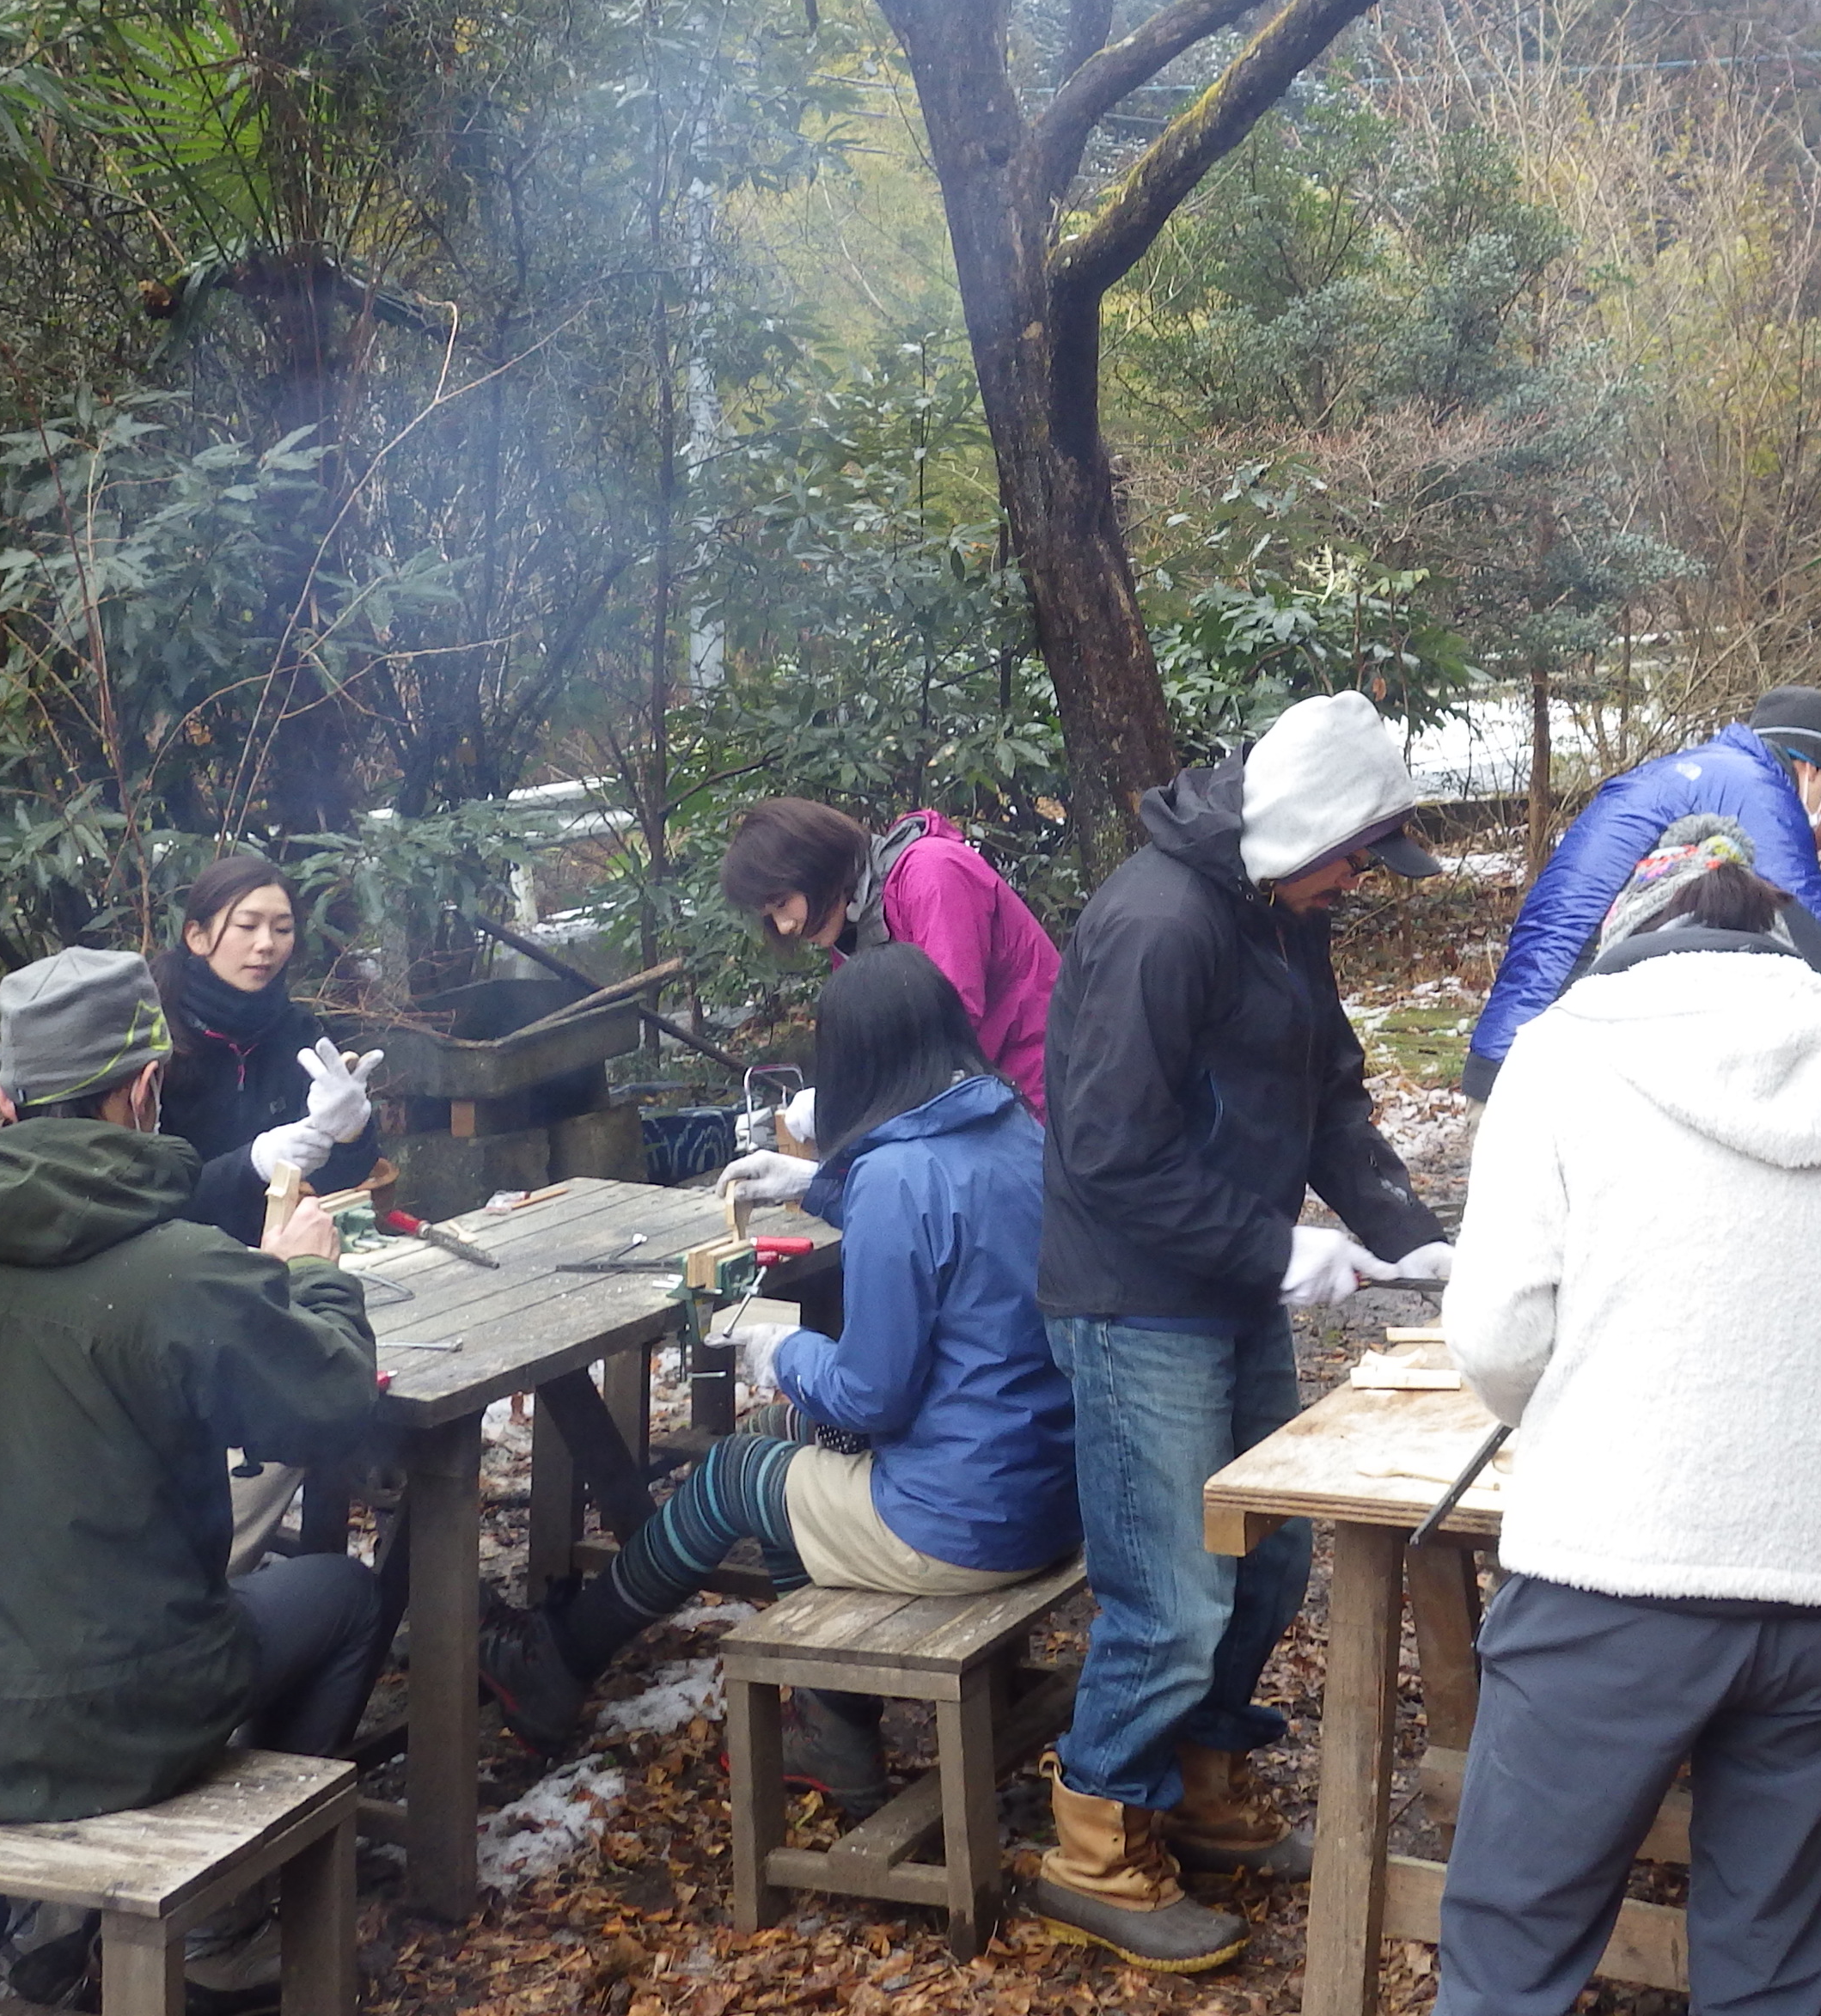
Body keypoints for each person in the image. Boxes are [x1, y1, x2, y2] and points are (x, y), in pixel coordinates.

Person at [1433, 851, 1821, 2016]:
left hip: (1612, 1574)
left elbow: (1496, 1334)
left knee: (1513, 1945)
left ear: (1628, 934)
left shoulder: (1563, 1053)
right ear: (1779, 940)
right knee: (1768, 1964)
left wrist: (1583, 1417)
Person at [0, 947, 388, 1996]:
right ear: (146, 1089)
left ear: (2, 1099)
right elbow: (331, 1404)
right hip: (140, 1713)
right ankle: (225, 1911)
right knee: (348, 1596)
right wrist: (312, 1280)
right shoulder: (182, 1269)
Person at [1027, 688, 1457, 1971]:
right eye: (1358, 859)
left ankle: (1196, 1788)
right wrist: (1275, 1246)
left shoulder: (1283, 914)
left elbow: (1328, 1093)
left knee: (1265, 1560)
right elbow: (1106, 1152)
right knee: (1169, 1590)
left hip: (1225, 1288)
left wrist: (1407, 1226)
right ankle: (1095, 1843)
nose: (1360, 884)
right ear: (1308, 833)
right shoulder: (1158, 924)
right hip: (1133, 1300)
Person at [482, 945, 1077, 1814]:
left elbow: (874, 1395)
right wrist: (822, 1185)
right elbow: (942, 1230)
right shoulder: (1013, 1131)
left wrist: (779, 1353)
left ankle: (561, 1655)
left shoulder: (894, 1177)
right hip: (1047, 1490)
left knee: (733, 1472)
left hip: (967, 1523)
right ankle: (832, 1725)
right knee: (771, 1446)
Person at [1464, 685, 1821, 1099]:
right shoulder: (1756, 789)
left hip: (1512, 1046)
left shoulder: (1694, 772)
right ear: (1816, 771)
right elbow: (1820, 949)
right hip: (1545, 1069)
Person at [722, 798, 1059, 1113]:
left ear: (817, 866)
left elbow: (949, 1026)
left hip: (1044, 1100)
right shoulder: (854, 928)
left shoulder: (932, 872)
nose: (784, 926)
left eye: (782, 904)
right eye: (769, 914)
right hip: (983, 1105)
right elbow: (872, 1052)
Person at [150, 849, 384, 1246]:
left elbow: (336, 1183)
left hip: (281, 1255)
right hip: (173, 1265)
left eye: (282, 928)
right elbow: (148, 1201)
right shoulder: (153, 1041)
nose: (266, 944)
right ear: (197, 936)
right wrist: (253, 1164)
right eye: (247, 925)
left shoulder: (297, 1033)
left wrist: (351, 1134)